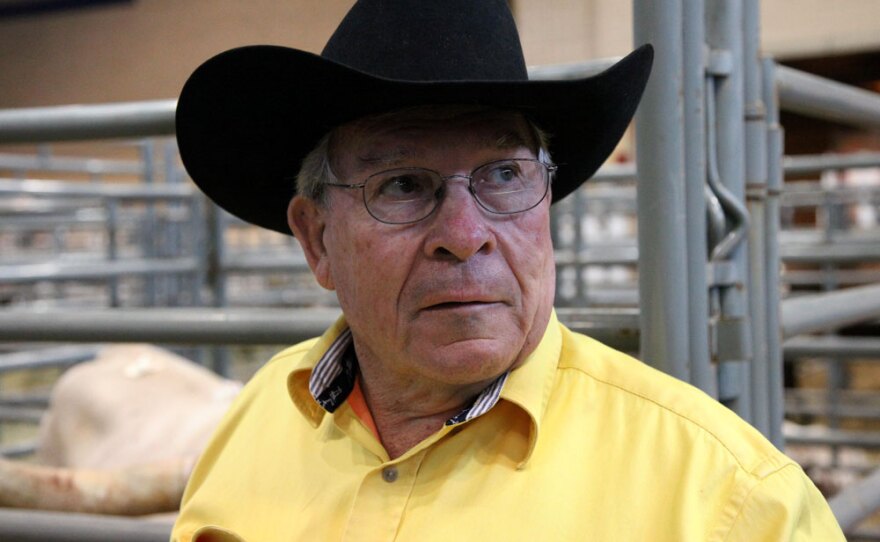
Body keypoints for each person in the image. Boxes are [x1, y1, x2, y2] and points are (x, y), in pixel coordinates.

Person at [171, 1, 844, 540]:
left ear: (546, 200)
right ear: (317, 239)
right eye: (403, 185)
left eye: (503, 175)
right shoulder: (256, 418)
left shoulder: (737, 507)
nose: (464, 237)